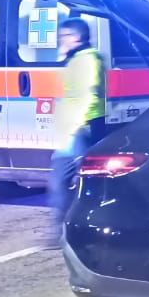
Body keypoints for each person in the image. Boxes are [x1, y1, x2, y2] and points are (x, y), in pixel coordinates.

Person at [49, 18, 106, 231]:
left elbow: (90, 95)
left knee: (68, 179)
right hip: (73, 129)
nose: (59, 41)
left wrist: (75, 126)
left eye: (63, 36)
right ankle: (66, 226)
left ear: (76, 37)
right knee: (68, 178)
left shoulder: (88, 60)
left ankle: (65, 228)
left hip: (81, 127)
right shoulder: (77, 59)